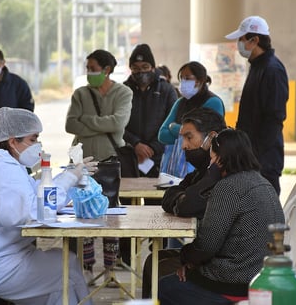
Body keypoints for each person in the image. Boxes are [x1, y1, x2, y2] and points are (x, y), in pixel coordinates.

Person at [0, 107, 93, 305]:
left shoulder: (8, 166)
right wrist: (70, 178)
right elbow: (34, 212)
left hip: (0, 257)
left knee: (65, 269)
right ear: (13, 141)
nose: (38, 145)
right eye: (33, 139)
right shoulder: (4, 173)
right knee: (66, 269)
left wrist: (68, 176)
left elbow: (35, 194)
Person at [158, 128, 285, 305]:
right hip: (262, 277)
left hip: (234, 285)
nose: (209, 164)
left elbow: (206, 246)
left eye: (211, 158)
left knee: (164, 286)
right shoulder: (263, 183)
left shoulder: (228, 188)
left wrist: (187, 261)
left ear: (220, 159)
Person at [65, 49, 133, 286]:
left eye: (92, 68)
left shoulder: (123, 92)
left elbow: (118, 122)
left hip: (110, 160)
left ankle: (111, 268)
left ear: (106, 70)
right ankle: (86, 268)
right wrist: (102, 125)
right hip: (81, 163)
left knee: (110, 213)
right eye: (88, 68)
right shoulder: (80, 94)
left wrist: (86, 122)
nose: (89, 72)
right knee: (83, 213)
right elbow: (70, 124)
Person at [142, 108, 226, 298]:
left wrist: (185, 200)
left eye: (189, 138)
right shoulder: (202, 170)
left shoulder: (220, 173)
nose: (184, 146)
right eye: (183, 139)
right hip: (209, 255)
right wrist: (182, 199)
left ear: (211, 138)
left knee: (161, 270)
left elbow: (189, 206)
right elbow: (169, 196)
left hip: (223, 267)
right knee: (153, 260)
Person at [120, 43, 178, 264]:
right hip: (130, 158)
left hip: (157, 159)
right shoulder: (124, 90)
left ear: (153, 67)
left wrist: (152, 147)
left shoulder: (166, 90)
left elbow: (172, 123)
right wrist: (135, 144)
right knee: (126, 207)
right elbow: (118, 124)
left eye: (145, 66)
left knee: (156, 209)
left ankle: (157, 258)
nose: (140, 72)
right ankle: (126, 255)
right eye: (135, 68)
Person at [225, 15, 289, 195]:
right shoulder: (257, 66)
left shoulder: (272, 70)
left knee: (264, 215)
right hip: (252, 158)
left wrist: (254, 155)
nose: (238, 43)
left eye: (241, 39)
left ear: (255, 40)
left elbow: (274, 118)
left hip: (264, 161)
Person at [158, 61, 225, 178]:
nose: (183, 82)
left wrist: (173, 127)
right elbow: (162, 135)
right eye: (182, 79)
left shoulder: (213, 102)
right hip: (175, 168)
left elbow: (207, 137)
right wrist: (189, 134)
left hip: (203, 165)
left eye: (187, 78)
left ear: (200, 80)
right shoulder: (180, 103)